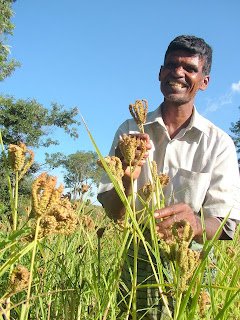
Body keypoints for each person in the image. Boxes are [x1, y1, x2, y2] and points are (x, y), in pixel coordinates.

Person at [97, 35, 240, 318]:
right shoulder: (130, 130)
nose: (178, 72)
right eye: (172, 65)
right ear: (160, 73)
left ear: (204, 81)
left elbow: (227, 226)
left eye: (189, 68)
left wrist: (195, 223)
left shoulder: (218, 143)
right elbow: (114, 213)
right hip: (138, 256)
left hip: (194, 260)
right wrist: (126, 179)